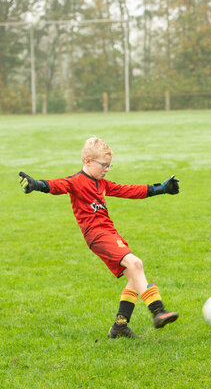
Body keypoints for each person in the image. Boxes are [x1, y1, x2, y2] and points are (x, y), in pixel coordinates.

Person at [18, 137, 180, 338]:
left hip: (110, 233)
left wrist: (161, 189)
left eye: (109, 165)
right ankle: (158, 311)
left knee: (133, 276)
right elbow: (57, 185)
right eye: (103, 165)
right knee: (136, 264)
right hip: (96, 235)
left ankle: (119, 327)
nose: (107, 169)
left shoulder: (102, 184)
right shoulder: (76, 181)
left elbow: (128, 190)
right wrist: (36, 184)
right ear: (87, 161)